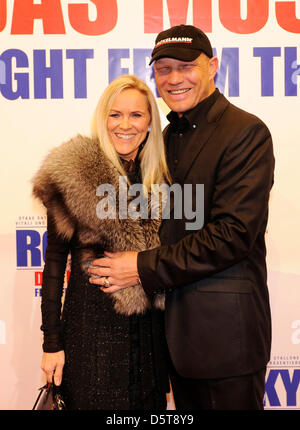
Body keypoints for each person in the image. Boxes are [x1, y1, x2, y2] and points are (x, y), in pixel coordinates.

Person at [88, 25, 275, 410]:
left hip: (226, 341)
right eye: (164, 69)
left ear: (214, 66)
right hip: (172, 343)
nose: (174, 78)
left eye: (186, 66)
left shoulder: (246, 132)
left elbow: (233, 235)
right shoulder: (164, 138)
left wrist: (139, 266)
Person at [32, 75, 171, 410]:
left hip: (149, 343)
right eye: (115, 114)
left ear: (150, 121)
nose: (125, 124)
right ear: (102, 118)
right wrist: (52, 342)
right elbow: (54, 263)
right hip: (91, 339)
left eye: (136, 115)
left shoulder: (163, 180)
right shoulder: (75, 173)